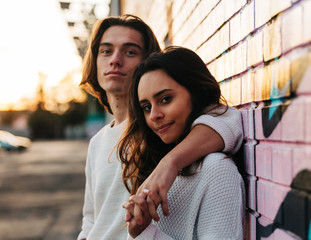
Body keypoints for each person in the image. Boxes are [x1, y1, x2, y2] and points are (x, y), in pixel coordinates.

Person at [77, 15, 243, 240]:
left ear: (148, 60)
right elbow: (91, 220)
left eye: (130, 52)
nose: (115, 60)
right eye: (106, 51)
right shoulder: (98, 142)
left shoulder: (162, 133)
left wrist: (170, 163)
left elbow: (229, 119)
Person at [120, 46, 245, 239]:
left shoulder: (217, 169)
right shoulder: (156, 169)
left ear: (196, 94)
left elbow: (229, 119)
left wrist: (146, 235)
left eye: (166, 99)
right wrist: (139, 231)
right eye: (146, 107)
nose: (154, 115)